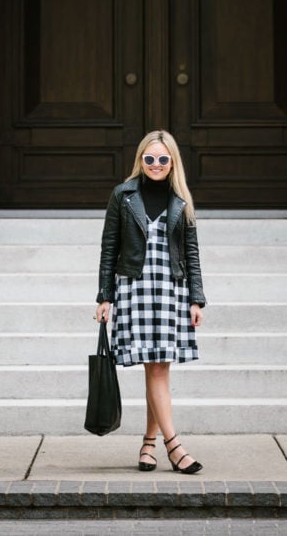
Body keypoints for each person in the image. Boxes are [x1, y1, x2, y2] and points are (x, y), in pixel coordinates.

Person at [95, 130, 206, 475]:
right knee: (154, 369)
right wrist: (104, 296)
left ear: (172, 162)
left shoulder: (180, 199)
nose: (155, 165)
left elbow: (192, 253)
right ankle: (174, 447)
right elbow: (109, 247)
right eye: (149, 159)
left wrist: (196, 299)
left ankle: (148, 444)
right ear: (140, 160)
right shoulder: (123, 195)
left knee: (158, 369)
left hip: (170, 290)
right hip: (135, 287)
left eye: (162, 159)